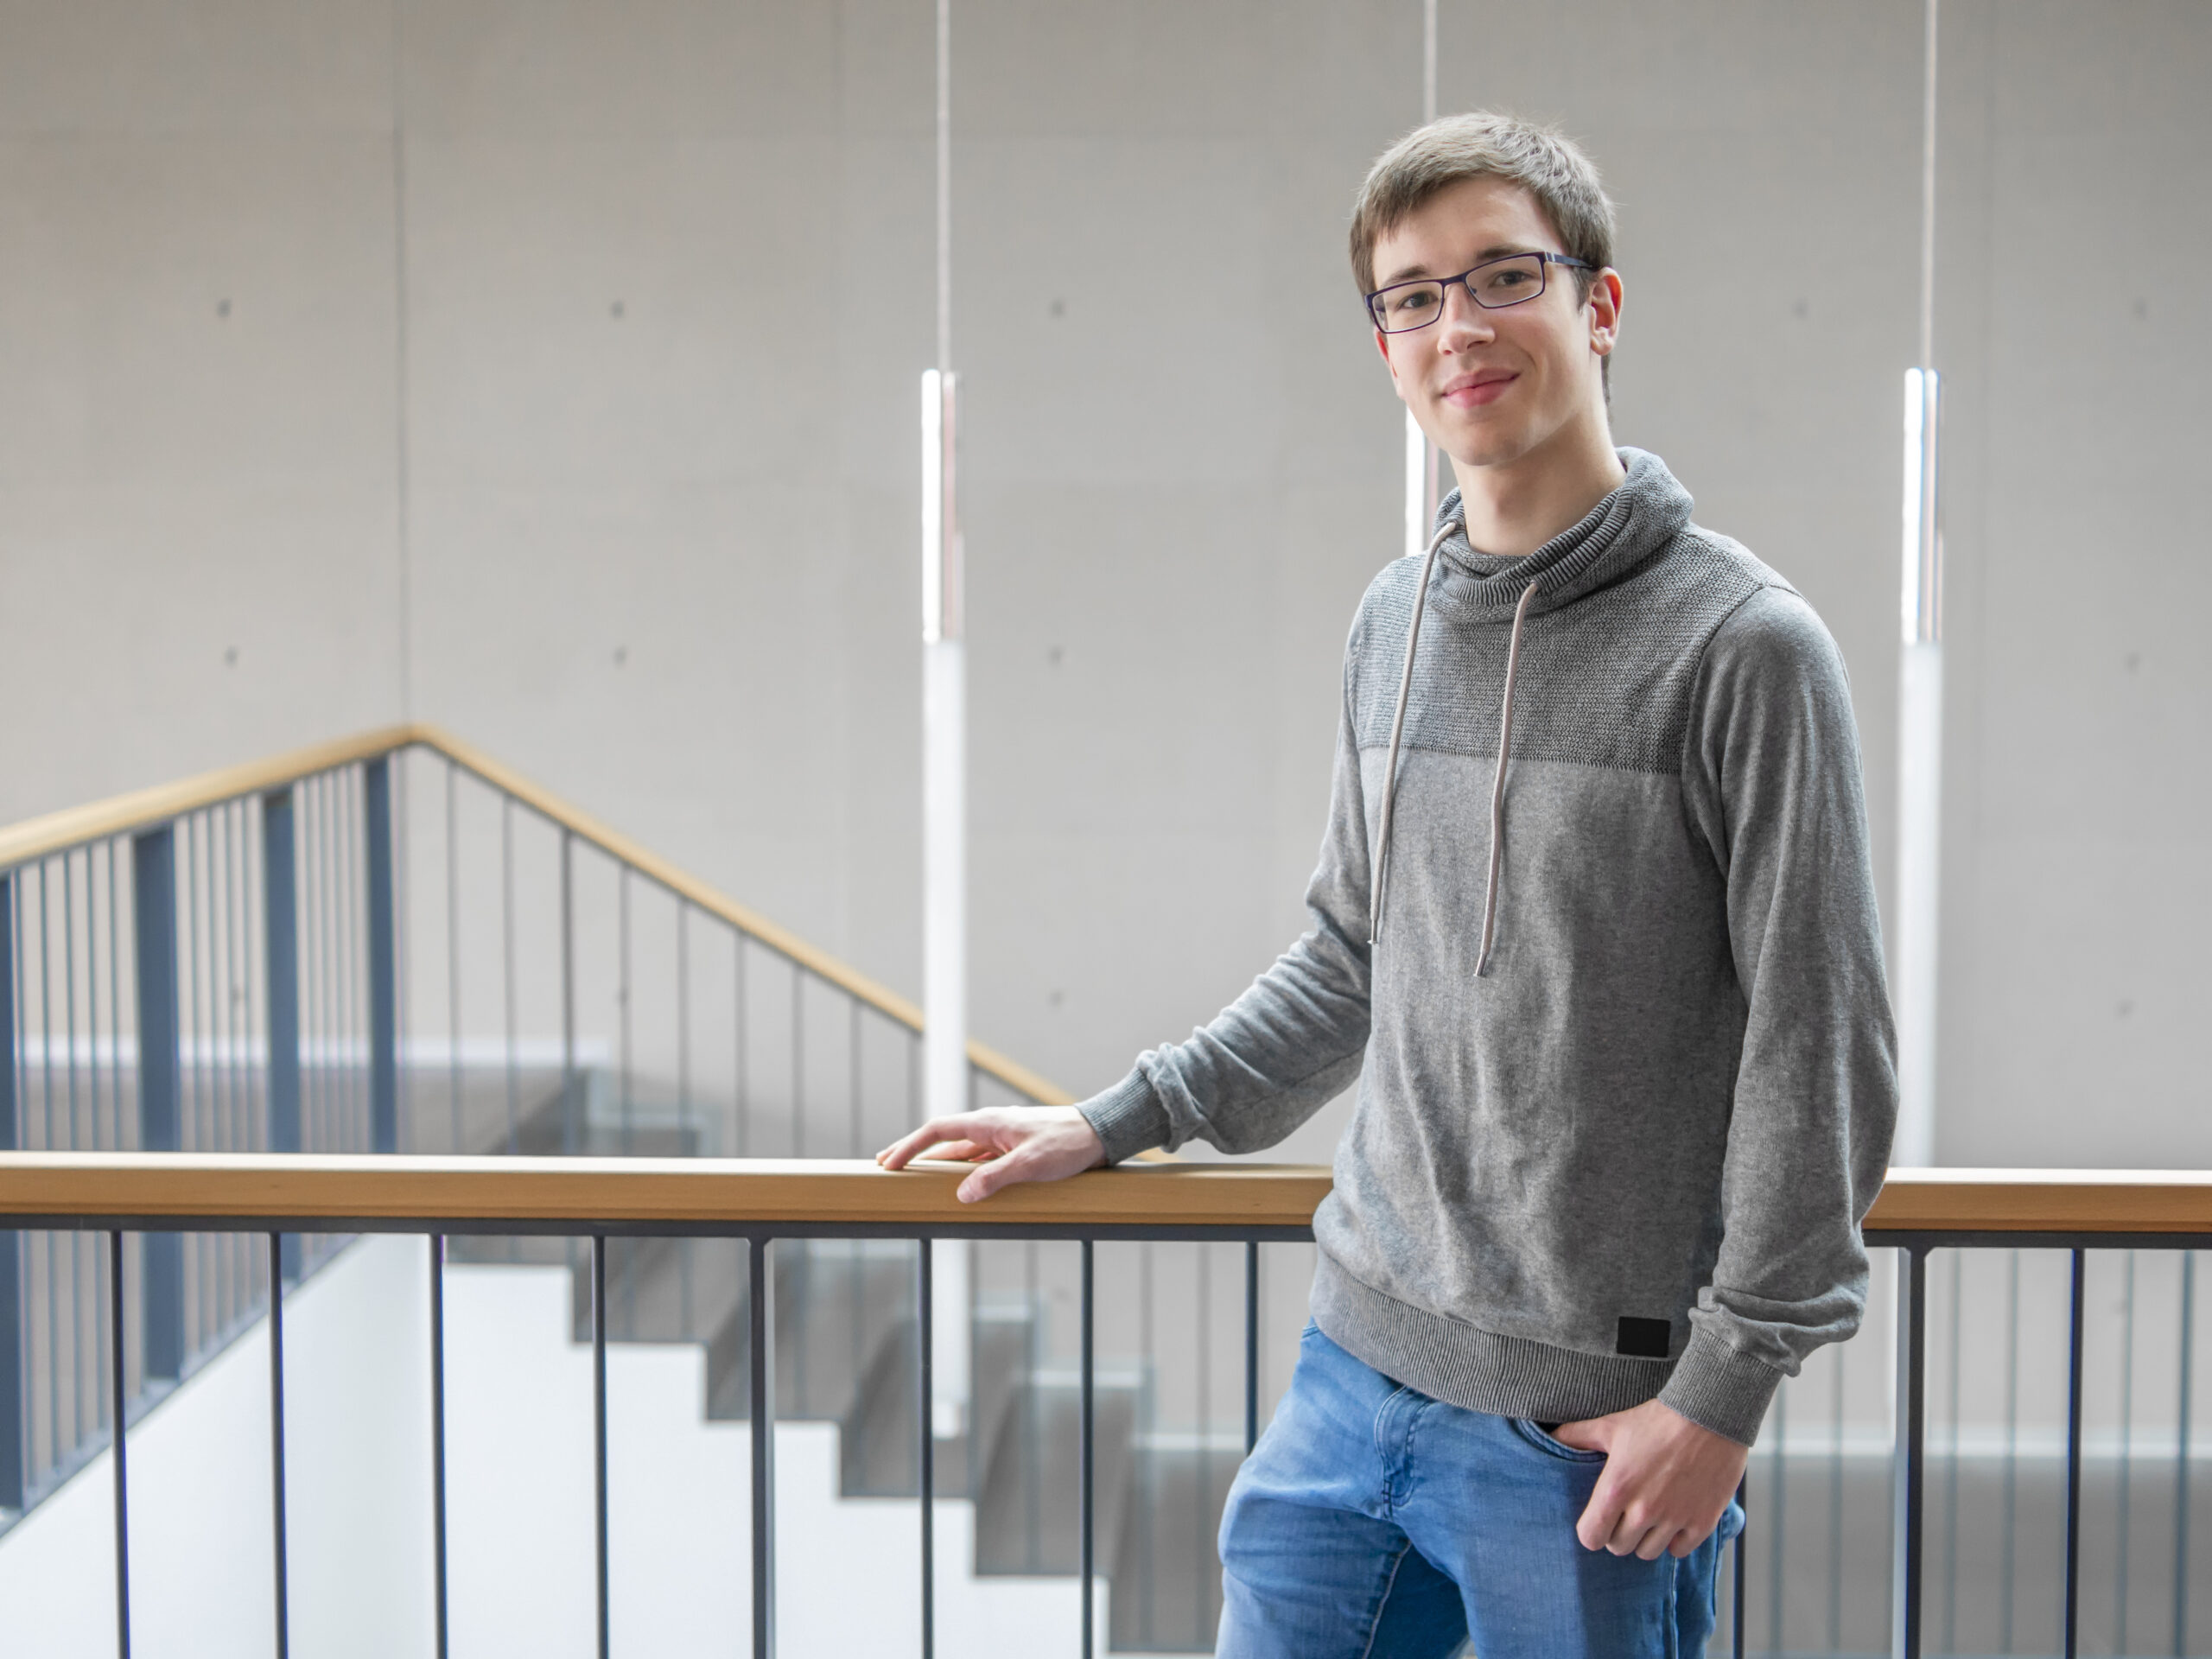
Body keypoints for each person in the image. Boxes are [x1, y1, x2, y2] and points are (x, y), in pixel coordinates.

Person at [879, 111, 1896, 1659]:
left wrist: (1722, 1398)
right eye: (1412, 296)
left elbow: (1818, 1054)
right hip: (1348, 1385)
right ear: (1384, 343)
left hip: (1587, 1429)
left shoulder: (1744, 649)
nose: (1456, 327)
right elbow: (1351, 958)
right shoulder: (1391, 621)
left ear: (1598, 305)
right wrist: (1115, 1116)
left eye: (1501, 278)